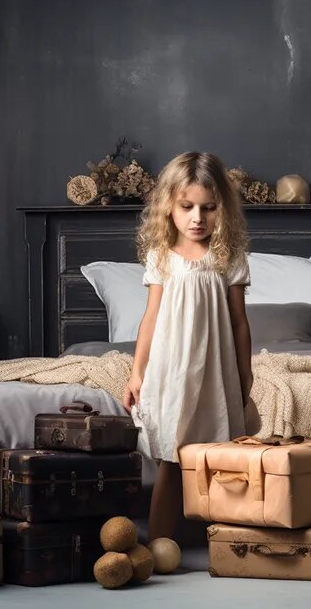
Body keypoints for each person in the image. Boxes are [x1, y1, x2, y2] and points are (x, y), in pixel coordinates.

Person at [123, 151, 253, 542]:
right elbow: (150, 319)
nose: (198, 218)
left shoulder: (228, 257)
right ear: (169, 207)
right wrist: (136, 372)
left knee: (217, 452)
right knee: (172, 454)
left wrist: (245, 374)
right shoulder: (162, 257)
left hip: (214, 368)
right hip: (170, 368)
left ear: (222, 209)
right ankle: (158, 543)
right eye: (187, 207)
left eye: (208, 208)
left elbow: (239, 323)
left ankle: (227, 541)